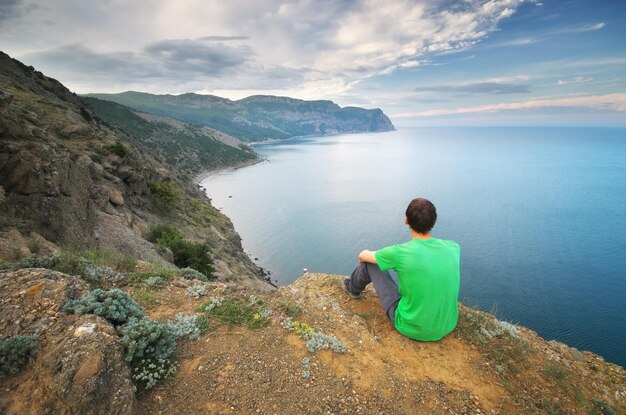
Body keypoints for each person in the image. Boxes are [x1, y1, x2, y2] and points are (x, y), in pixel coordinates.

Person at [342, 198, 460, 341]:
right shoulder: (453, 247)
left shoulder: (400, 252)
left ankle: (352, 289)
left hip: (410, 326)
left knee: (371, 263)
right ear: (433, 222)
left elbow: (363, 256)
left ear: (406, 221)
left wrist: (369, 253)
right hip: (447, 324)